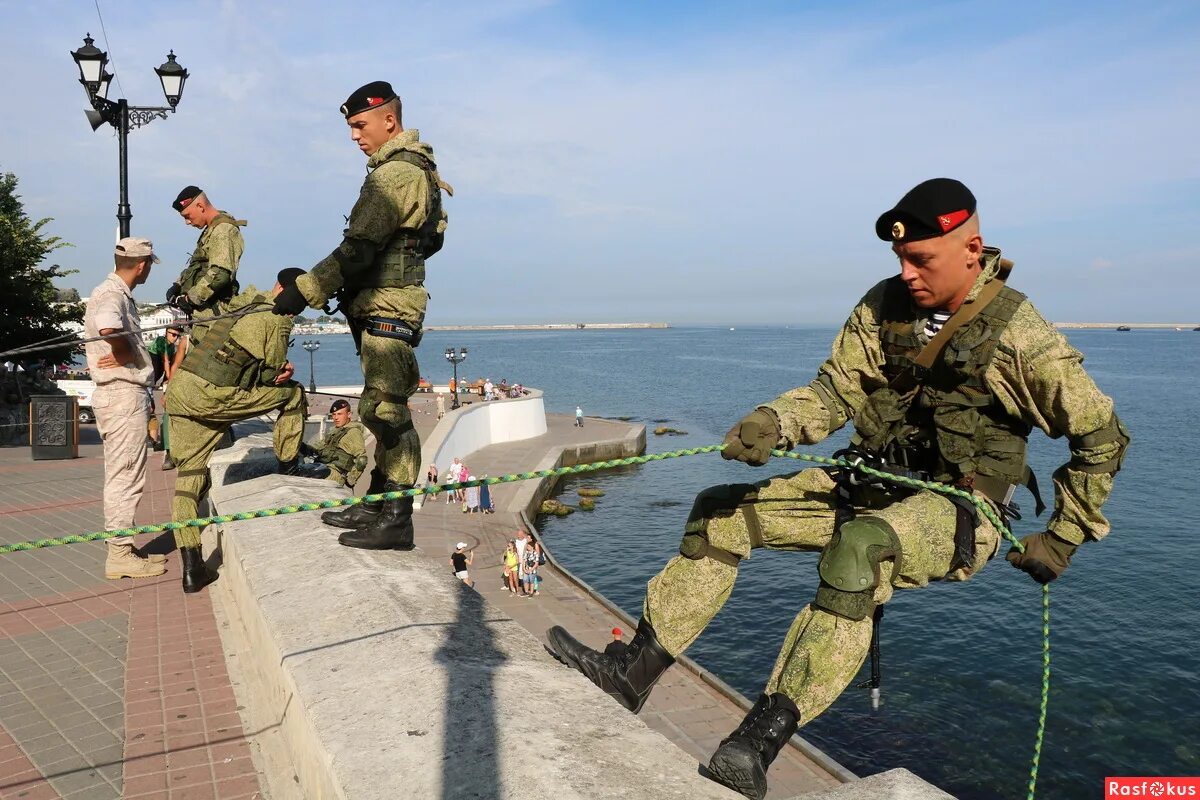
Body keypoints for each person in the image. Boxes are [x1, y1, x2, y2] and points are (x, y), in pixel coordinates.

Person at [545, 178, 1131, 800]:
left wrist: (1064, 536)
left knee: (859, 551)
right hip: (871, 481)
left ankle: (754, 745)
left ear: (971, 248)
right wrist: (772, 422)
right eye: (900, 259)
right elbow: (834, 392)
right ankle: (630, 672)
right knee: (718, 513)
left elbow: (1102, 437)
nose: (906, 272)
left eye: (921, 259)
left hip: (961, 507)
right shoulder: (883, 306)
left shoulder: (1021, 335)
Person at [274, 80, 451, 553]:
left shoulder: (395, 174)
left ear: (388, 121)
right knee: (379, 407)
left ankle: (396, 518)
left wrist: (304, 290)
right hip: (381, 303)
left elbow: (358, 249)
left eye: (359, 125)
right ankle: (377, 502)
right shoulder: (411, 170)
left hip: (390, 305)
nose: (354, 135)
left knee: (386, 411)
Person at [166, 269, 307, 594]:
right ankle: (289, 463)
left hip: (183, 391)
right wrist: (285, 371)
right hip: (214, 396)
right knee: (294, 393)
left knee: (189, 479)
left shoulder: (243, 303)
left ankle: (192, 568)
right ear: (289, 291)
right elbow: (271, 376)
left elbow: (201, 337)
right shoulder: (278, 319)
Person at [85, 238, 168, 581]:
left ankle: (124, 549)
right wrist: (121, 350)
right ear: (143, 264)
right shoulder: (112, 294)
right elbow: (108, 325)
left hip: (120, 396)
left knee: (125, 474)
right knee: (125, 477)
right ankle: (119, 555)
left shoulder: (115, 292)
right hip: (121, 396)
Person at [166, 186, 246, 346]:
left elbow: (220, 273)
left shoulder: (223, 230)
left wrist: (190, 299)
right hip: (204, 317)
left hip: (214, 318)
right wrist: (178, 284)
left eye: (187, 216)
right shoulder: (212, 230)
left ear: (201, 206)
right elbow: (199, 264)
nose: (187, 222)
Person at [295, 398, 368, 488]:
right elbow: (318, 446)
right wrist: (301, 446)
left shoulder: (353, 432)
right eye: (334, 414)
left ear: (349, 414)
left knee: (300, 476)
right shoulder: (334, 431)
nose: (336, 418)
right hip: (323, 467)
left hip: (334, 473)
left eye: (339, 414)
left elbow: (362, 460)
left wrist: (351, 479)